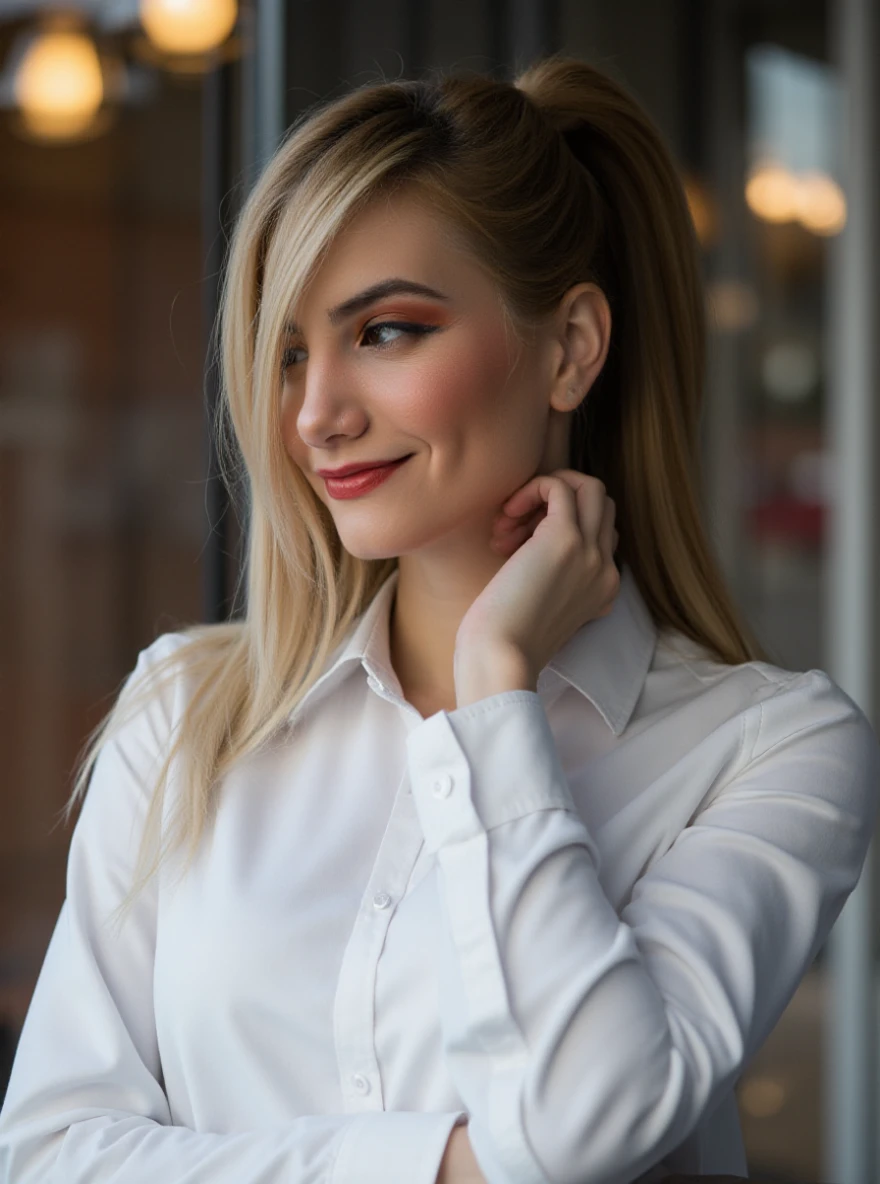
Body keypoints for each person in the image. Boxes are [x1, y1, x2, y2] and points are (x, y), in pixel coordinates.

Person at [0, 53, 876, 1184]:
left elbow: (589, 1115)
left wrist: (496, 683)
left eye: (386, 331)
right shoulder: (183, 716)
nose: (315, 415)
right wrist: (450, 1166)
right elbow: (51, 1151)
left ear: (569, 349)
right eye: (289, 352)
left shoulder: (773, 749)